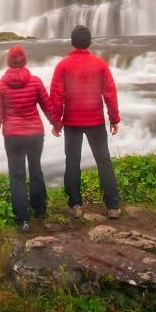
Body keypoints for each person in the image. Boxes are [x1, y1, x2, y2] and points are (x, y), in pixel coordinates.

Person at [0, 45, 61, 232]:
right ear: (25, 61)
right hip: (35, 134)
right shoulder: (35, 82)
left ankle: (22, 219)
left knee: (17, 176)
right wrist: (56, 124)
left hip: (13, 136)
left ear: (8, 62)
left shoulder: (0, 86)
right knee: (36, 170)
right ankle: (40, 210)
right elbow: (48, 106)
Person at [50, 25, 121, 219]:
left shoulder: (63, 66)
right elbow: (110, 94)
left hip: (72, 121)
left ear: (72, 42)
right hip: (95, 121)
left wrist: (56, 122)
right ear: (89, 42)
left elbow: (56, 96)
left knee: (72, 163)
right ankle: (113, 206)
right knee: (104, 161)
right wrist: (114, 118)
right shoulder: (100, 64)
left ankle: (76, 206)